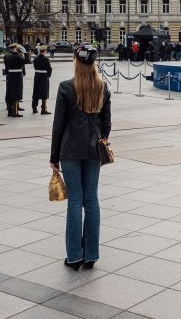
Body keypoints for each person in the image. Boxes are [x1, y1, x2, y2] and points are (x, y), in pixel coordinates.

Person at [49, 44, 111, 271]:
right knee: (91, 200)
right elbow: (107, 125)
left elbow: (59, 126)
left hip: (70, 151)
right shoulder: (103, 87)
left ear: (76, 61)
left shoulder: (66, 88)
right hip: (94, 151)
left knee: (75, 201)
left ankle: (74, 256)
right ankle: (91, 255)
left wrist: (54, 156)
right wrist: (99, 140)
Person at [3, 43, 26, 117]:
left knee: (10, 93)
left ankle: (9, 111)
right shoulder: (18, 56)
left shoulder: (7, 56)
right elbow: (27, 60)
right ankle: (15, 112)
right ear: (16, 49)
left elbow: (6, 67)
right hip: (17, 77)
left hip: (10, 76)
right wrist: (23, 52)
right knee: (16, 93)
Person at [32, 45, 53, 115]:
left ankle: (34, 108)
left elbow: (35, 67)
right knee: (44, 93)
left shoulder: (35, 59)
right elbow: (49, 69)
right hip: (44, 77)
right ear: (44, 51)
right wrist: (49, 75)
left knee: (36, 92)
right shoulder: (46, 59)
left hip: (37, 76)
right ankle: (43, 109)